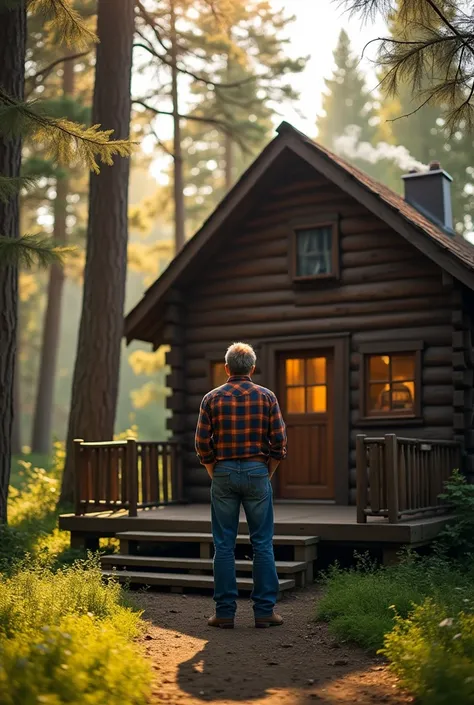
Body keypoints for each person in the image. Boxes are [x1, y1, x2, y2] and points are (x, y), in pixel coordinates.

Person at [195, 342, 287, 629]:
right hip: (257, 471)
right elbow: (280, 443)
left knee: (223, 545)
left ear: (226, 368)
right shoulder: (267, 396)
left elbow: (201, 443)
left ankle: (224, 613)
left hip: (222, 471)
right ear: (252, 368)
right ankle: (263, 612)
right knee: (262, 543)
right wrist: (266, 471)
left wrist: (213, 468)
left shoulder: (211, 398)